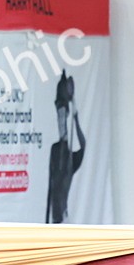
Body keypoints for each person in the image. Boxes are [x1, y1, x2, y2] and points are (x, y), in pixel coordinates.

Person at [47, 70, 86, 224]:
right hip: (55, 219)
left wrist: (76, 119)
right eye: (59, 114)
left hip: (63, 218)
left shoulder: (72, 159)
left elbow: (83, 145)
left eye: (64, 114)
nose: (61, 119)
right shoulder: (55, 150)